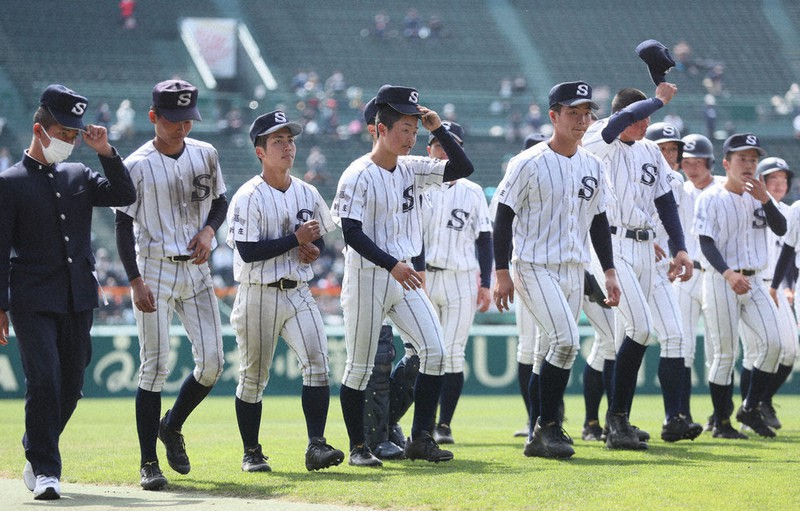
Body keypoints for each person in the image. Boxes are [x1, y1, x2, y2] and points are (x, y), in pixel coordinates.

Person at [0, 84, 136, 500]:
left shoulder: (79, 174)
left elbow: (124, 194)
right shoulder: (9, 182)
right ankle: (46, 470)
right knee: (44, 380)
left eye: (75, 134)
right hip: (31, 299)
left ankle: (35, 445)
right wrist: (0, 306)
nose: (71, 141)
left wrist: (106, 152)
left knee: (72, 385)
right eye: (64, 133)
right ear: (39, 129)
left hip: (77, 295)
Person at [331, 84, 473, 466]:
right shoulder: (357, 174)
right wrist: (391, 264)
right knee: (359, 368)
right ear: (381, 129)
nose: (411, 138)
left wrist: (438, 128)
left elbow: (462, 168)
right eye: (404, 129)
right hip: (368, 276)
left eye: (414, 130)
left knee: (435, 352)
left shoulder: (412, 168)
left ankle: (421, 438)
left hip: (404, 274)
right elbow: (351, 232)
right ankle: (359, 447)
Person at [493, 81, 621, 459]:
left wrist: (609, 271)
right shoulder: (527, 162)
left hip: (574, 267)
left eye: (586, 113)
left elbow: (599, 221)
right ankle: (548, 425)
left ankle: (538, 432)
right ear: (553, 116)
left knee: (546, 351)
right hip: (533, 264)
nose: (582, 120)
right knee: (566, 342)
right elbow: (503, 217)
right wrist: (501, 272)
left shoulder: (592, 164)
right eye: (572, 112)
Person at [114, 80, 228, 490]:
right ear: (153, 117)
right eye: (174, 119)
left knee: (213, 363)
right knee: (155, 367)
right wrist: (134, 279)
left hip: (196, 270)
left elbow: (220, 201)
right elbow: (122, 225)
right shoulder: (136, 164)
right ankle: (148, 463)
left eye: (188, 119)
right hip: (154, 269)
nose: (182, 126)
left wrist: (210, 231)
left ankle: (172, 424)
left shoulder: (205, 153)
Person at [225, 111, 345, 473]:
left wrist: (313, 249)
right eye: (278, 141)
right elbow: (248, 251)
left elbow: (319, 239)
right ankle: (251, 451)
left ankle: (316, 446)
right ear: (260, 151)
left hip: (297, 289)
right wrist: (296, 240)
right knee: (253, 377)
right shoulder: (248, 196)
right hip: (257, 292)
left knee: (318, 364)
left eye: (290, 140)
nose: (287, 147)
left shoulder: (307, 191)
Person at [582, 82, 695, 450]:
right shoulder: (601, 137)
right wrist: (657, 101)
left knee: (625, 338)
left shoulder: (649, 151)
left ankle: (619, 422)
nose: (646, 124)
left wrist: (680, 247)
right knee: (642, 328)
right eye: (641, 118)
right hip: (610, 242)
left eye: (648, 118)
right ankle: (616, 420)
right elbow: (620, 122)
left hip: (646, 246)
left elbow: (665, 202)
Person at [694, 133, 785, 438]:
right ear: (726, 163)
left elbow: (781, 228)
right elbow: (705, 243)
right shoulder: (710, 197)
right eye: (742, 158)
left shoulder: (760, 196)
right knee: (725, 354)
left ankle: (750, 407)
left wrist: (765, 199)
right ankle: (722, 422)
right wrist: (728, 273)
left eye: (753, 159)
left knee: (774, 344)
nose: (748, 164)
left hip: (755, 278)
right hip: (721, 280)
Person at [421, 121, 493, 445]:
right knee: (424, 353)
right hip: (423, 277)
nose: (444, 151)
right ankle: (422, 424)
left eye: (451, 145)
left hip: (461, 278)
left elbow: (485, 239)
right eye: (438, 145)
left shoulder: (472, 191)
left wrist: (486, 283)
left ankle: (443, 424)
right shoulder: (419, 185)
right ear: (429, 150)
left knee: (452, 354)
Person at [643, 122, 704, 441]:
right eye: (662, 148)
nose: (668, 154)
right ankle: (609, 420)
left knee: (676, 336)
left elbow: (676, 225)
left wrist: (677, 254)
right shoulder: (634, 172)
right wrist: (642, 238)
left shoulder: (677, 183)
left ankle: (674, 419)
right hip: (626, 261)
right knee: (617, 343)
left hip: (658, 268)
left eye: (673, 149)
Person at [675, 133, 726, 435]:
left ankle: (720, 416)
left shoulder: (724, 189)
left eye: (698, 162)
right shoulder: (677, 189)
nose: (692, 168)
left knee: (718, 349)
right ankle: (682, 414)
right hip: (686, 274)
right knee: (683, 346)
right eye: (687, 162)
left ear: (709, 162)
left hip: (715, 273)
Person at [749, 157, 796, 430]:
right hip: (754, 282)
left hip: (776, 286)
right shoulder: (750, 205)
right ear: (761, 181)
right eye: (773, 179)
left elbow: (788, 254)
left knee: (789, 352)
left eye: (783, 179)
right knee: (754, 352)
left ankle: (761, 401)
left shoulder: (790, 212)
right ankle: (744, 411)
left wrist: (787, 285)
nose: (779, 184)